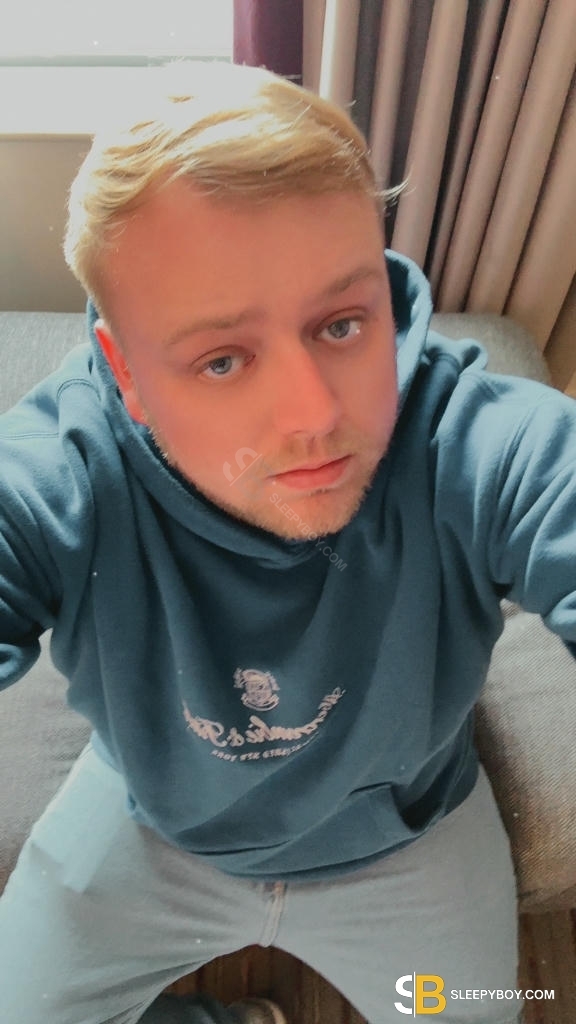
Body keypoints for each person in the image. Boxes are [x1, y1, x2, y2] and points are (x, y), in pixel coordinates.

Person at [0, 60, 573, 1024]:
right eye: (223, 360)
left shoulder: (477, 439)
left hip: (410, 840)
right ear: (125, 372)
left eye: (342, 324)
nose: (315, 417)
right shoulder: (61, 470)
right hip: (155, 829)